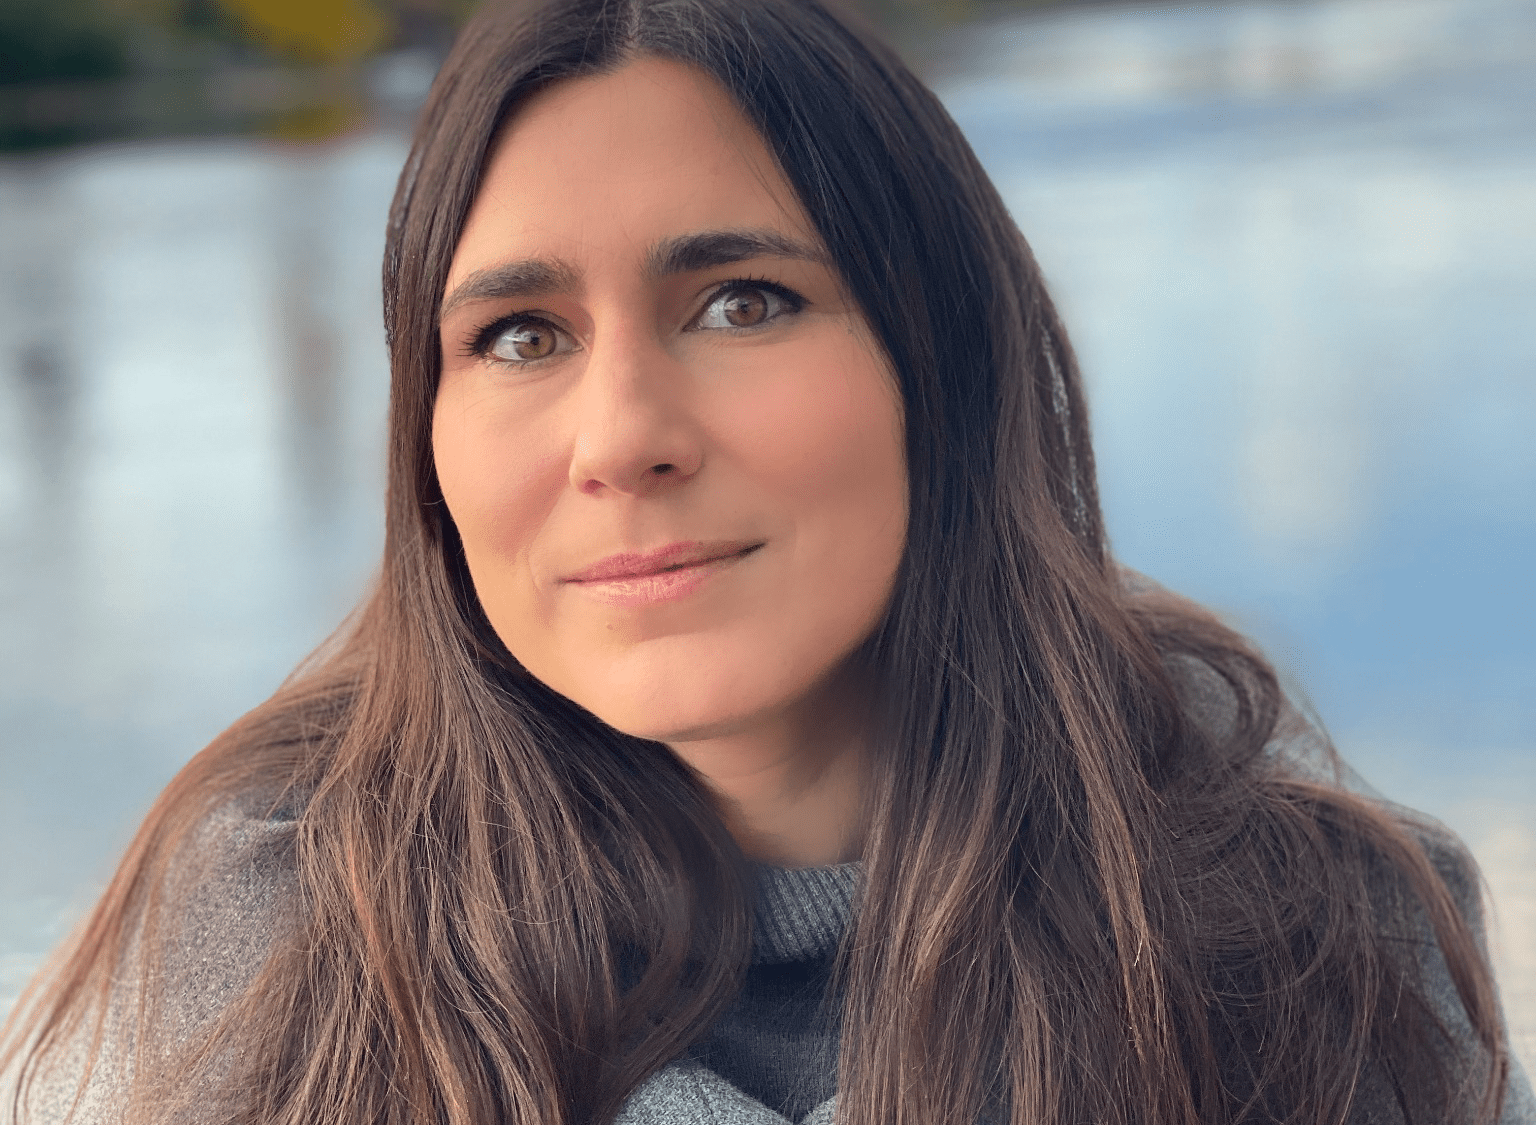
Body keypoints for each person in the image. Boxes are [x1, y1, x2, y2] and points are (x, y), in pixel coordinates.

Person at [3, 0, 1532, 1122]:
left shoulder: (1320, 951)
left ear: (944, 362)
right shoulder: (257, 978)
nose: (621, 438)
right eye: (520, 336)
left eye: (742, 302)